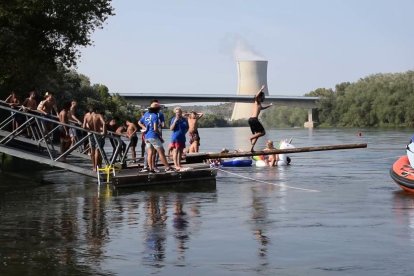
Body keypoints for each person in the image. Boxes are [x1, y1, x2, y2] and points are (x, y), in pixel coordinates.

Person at [138, 101, 174, 173]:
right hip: (153, 136)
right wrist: (160, 137)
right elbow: (155, 129)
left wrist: (144, 128)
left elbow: (139, 122)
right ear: (156, 109)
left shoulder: (146, 114)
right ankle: (167, 168)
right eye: (158, 109)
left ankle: (151, 169)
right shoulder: (155, 116)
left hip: (147, 136)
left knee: (150, 152)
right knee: (161, 152)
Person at [248, 85, 274, 151]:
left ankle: (252, 148)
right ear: (259, 97)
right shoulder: (256, 101)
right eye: (262, 97)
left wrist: (269, 105)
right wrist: (261, 89)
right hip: (254, 119)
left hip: (251, 120)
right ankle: (251, 138)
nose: (263, 98)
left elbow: (262, 108)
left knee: (257, 134)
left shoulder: (259, 104)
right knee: (263, 133)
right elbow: (256, 96)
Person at [87, 106, 107, 171]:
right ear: (96, 110)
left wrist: (89, 129)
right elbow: (104, 123)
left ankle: (94, 167)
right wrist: (103, 132)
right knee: (97, 151)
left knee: (92, 151)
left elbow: (84, 126)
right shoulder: (98, 115)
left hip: (91, 134)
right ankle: (97, 167)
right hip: (98, 134)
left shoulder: (87, 116)